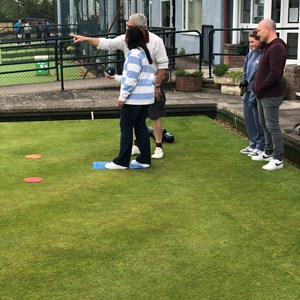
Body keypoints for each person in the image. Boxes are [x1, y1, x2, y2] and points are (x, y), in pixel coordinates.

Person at [70, 13, 169, 159]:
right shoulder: (130, 43)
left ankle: (145, 152)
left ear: (140, 28)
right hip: (141, 90)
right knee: (139, 123)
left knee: (140, 120)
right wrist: (85, 39)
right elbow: (106, 43)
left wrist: (156, 86)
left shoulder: (148, 46)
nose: (125, 30)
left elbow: (142, 74)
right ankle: (140, 153)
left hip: (148, 87)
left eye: (129, 26)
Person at [104, 26, 155, 169]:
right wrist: (115, 78)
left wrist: (122, 97)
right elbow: (132, 78)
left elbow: (131, 80)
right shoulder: (144, 53)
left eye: (126, 36)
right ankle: (144, 159)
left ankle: (122, 162)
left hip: (135, 99)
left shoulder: (133, 55)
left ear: (130, 38)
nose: (125, 39)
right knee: (140, 127)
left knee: (126, 127)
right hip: (146, 98)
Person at [252, 19, 287, 171]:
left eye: (259, 30)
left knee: (272, 126)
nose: (257, 34)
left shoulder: (277, 47)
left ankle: (278, 159)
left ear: (268, 29)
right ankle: (268, 152)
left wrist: (260, 87)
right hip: (262, 94)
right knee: (264, 124)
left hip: (270, 94)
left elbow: (275, 74)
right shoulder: (269, 47)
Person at [239, 29, 265, 157]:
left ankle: (260, 146)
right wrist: (243, 80)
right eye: (249, 42)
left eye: (253, 42)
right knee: (249, 120)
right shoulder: (250, 55)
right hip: (247, 91)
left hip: (256, 92)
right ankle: (253, 144)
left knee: (258, 120)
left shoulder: (264, 55)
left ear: (260, 40)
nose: (251, 44)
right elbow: (245, 70)